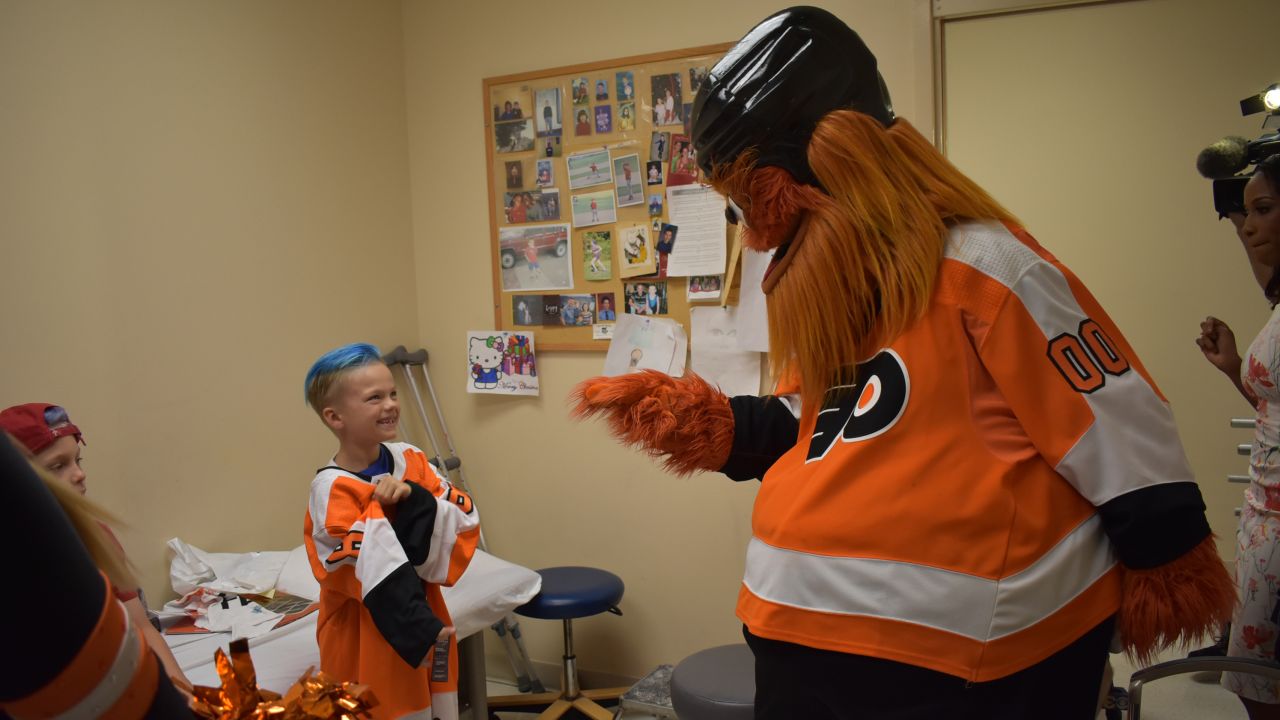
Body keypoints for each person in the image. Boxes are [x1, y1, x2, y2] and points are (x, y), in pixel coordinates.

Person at [572, 8, 1232, 720]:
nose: (758, 242)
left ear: (833, 159)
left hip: (961, 667)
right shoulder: (848, 299)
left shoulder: (985, 264)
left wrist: (1166, 550)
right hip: (799, 652)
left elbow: (1112, 419)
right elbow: (819, 422)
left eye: (753, 204)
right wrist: (712, 422)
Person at [303, 343, 480, 720]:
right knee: (383, 705)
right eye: (374, 398)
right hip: (364, 632)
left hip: (427, 609)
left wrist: (414, 499)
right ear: (335, 417)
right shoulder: (331, 489)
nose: (390, 405)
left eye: (393, 393)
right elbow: (346, 564)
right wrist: (386, 510)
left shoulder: (411, 459)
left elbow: (462, 514)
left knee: (433, 696)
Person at [0, 402, 193, 696]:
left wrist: (187, 697)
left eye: (78, 460)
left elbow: (141, 627)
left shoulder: (94, 535)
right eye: (57, 466)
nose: (79, 474)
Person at [1196, 153, 1280, 720]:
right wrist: (1233, 368)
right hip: (1261, 522)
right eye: (1242, 214)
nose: (1247, 227)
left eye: (1262, 211)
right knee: (1256, 688)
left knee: (1264, 690)